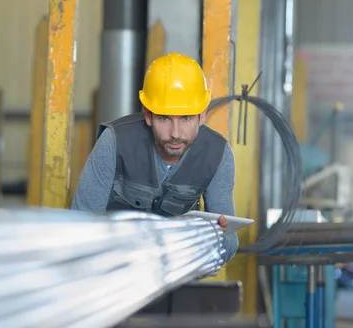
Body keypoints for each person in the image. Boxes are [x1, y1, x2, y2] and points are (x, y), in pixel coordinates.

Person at [71, 52, 238, 263]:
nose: (175, 133)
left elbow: (230, 241)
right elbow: (81, 225)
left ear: (202, 115)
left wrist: (215, 240)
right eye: (164, 118)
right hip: (113, 269)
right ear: (148, 115)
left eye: (186, 118)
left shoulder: (218, 155)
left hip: (176, 274)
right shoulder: (114, 142)